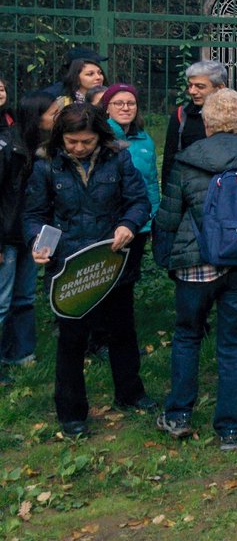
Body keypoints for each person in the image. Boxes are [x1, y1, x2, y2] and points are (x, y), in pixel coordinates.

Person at [154, 89, 237, 449]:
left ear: (207, 123)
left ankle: (178, 414)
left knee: (187, 336)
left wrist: (166, 258)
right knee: (232, 344)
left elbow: (168, 216)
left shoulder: (186, 160)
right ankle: (229, 428)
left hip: (195, 263)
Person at [25, 104, 153, 438]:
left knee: (123, 332)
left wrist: (128, 224)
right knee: (71, 340)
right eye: (72, 141)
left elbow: (138, 202)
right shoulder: (46, 166)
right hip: (68, 265)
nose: (79, 148)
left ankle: (131, 393)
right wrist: (37, 243)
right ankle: (71, 414)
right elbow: (34, 215)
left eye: (86, 141)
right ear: (60, 138)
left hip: (111, 261)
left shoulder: (119, 159)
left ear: (99, 136)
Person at [1, 94, 59, 369]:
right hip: (7, 236)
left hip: (29, 233)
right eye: (53, 113)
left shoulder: (49, 148)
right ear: (38, 118)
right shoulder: (9, 148)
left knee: (24, 297)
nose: (58, 117)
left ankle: (20, 354)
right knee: (1, 301)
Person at [101, 84, 160, 297]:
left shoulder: (145, 139)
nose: (125, 108)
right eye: (118, 103)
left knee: (128, 278)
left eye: (131, 103)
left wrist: (154, 217)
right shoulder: (102, 137)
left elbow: (152, 182)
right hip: (111, 222)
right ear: (107, 108)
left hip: (141, 222)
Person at [162, 60, 228, 191]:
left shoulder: (235, 117)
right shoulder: (181, 116)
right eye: (190, 85)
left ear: (220, 88)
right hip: (189, 193)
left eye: (200, 86)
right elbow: (169, 161)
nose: (192, 91)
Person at [37, 47, 107, 99]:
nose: (98, 77)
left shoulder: (107, 96)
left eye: (100, 73)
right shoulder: (57, 97)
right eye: (90, 74)